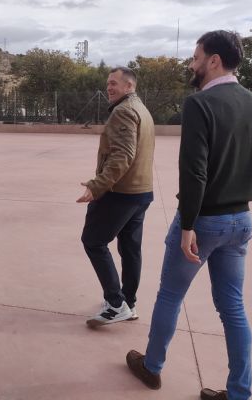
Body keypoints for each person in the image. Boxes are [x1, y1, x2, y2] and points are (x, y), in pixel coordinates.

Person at [126, 30, 252, 400]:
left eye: (196, 58)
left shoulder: (200, 104)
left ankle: (152, 367)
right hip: (241, 220)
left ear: (214, 61)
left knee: (170, 295)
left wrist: (188, 224)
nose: (192, 65)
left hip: (203, 221)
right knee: (233, 307)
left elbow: (194, 172)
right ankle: (240, 393)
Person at [77, 66, 155, 327]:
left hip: (121, 193)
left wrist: (97, 185)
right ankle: (128, 302)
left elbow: (123, 155)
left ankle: (115, 303)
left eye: (114, 83)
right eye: (108, 83)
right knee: (130, 248)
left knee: (93, 241)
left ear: (129, 86)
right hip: (141, 192)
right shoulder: (142, 109)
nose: (109, 87)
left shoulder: (123, 111)